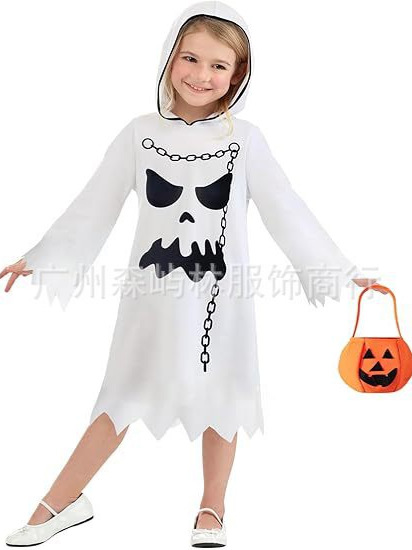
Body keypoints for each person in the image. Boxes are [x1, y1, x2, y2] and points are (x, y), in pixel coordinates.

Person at [2, 1, 382, 547]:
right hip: (150, 295)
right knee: (121, 396)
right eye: (191, 58)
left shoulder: (244, 140)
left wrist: (340, 271)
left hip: (221, 298)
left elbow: (287, 209)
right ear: (169, 58)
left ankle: (212, 507)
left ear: (238, 74)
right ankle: (60, 503)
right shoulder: (139, 134)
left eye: (218, 65)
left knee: (223, 393)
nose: (201, 75)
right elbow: (94, 203)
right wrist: (43, 256)